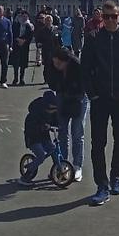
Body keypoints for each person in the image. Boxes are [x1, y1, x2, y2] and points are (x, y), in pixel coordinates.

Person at [81, 0, 119, 206]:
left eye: (113, 16)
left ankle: (116, 177)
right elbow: (85, 69)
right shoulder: (93, 38)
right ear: (101, 18)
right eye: (106, 17)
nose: (109, 20)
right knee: (98, 143)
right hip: (100, 99)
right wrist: (92, 94)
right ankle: (102, 185)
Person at [47, 47, 87, 182]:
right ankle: (62, 165)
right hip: (62, 97)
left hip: (78, 99)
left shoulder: (78, 66)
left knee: (77, 132)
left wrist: (72, 91)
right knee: (62, 132)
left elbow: (83, 85)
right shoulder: (53, 67)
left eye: (59, 63)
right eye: (54, 63)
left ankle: (77, 166)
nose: (56, 66)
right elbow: (51, 83)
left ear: (66, 61)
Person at [19, 90, 62, 187]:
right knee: (41, 156)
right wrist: (43, 126)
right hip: (33, 138)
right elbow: (31, 128)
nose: (53, 111)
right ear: (45, 106)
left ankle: (57, 170)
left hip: (44, 137)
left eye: (54, 109)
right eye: (51, 109)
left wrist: (58, 126)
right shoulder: (34, 114)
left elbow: (56, 122)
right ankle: (26, 176)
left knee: (53, 149)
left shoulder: (53, 111)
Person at [33, 13, 60, 85]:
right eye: (47, 20)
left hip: (54, 50)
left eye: (49, 20)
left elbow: (59, 40)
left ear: (52, 21)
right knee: (47, 66)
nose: (48, 22)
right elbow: (38, 39)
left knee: (54, 66)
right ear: (45, 21)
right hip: (46, 50)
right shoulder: (42, 30)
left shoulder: (55, 29)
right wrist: (38, 43)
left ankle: (54, 79)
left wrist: (60, 48)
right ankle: (46, 79)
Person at [11, 9, 34, 86]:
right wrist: (17, 39)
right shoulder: (16, 24)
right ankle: (15, 78)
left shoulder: (29, 25)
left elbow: (30, 36)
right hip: (16, 44)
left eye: (25, 16)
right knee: (16, 63)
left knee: (23, 63)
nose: (24, 18)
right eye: (22, 16)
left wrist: (24, 41)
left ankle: (22, 79)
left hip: (24, 45)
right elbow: (13, 33)